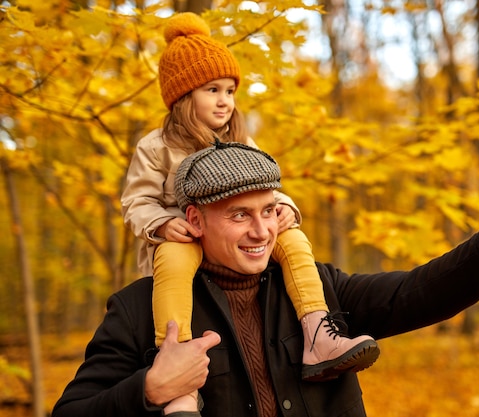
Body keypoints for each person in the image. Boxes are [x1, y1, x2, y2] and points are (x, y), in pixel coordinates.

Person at [52, 137, 479, 417]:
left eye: (269, 211)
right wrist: (148, 390)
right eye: (239, 215)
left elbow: (421, 292)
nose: (261, 232)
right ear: (192, 219)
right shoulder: (137, 309)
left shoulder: (313, 286)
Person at [120, 12, 378, 413]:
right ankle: (176, 363)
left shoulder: (241, 140)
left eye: (230, 90)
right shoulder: (156, 146)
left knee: (293, 240)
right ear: (183, 95)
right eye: (212, 90)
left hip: (237, 239)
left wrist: (285, 210)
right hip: (186, 238)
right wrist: (161, 223)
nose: (225, 100)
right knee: (170, 257)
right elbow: (137, 201)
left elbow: (270, 189)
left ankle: (316, 332)